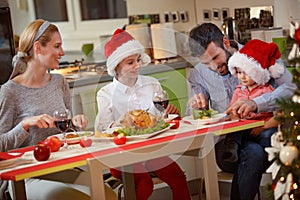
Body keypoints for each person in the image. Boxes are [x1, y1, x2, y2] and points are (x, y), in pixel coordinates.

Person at [187, 23, 296, 200]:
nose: (214, 67)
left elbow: (292, 89)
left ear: (225, 42)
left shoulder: (259, 55)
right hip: (229, 147)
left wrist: (256, 103)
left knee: (255, 152)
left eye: (216, 58)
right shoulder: (199, 73)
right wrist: (197, 107)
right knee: (253, 153)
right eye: (206, 63)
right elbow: (192, 113)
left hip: (266, 138)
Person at [94, 28, 191, 200]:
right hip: (122, 156)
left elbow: (161, 121)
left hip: (153, 151)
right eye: (130, 62)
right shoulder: (105, 93)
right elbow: (103, 129)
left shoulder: (152, 84)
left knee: (178, 178)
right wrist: (124, 123)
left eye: (138, 60)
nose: (137, 65)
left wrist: (169, 115)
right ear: (117, 66)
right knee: (145, 183)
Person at [0, 19, 91, 200]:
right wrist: (25, 125)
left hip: (60, 166)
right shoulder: (9, 91)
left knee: (106, 194)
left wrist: (76, 124)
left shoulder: (59, 82)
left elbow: (67, 132)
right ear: (38, 48)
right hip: (25, 175)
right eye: (57, 46)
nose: (62, 52)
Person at [223, 39, 282, 163]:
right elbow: (231, 111)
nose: (242, 77)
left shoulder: (267, 90)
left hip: (262, 128)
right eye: (239, 72)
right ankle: (231, 148)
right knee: (234, 133)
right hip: (244, 128)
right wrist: (235, 118)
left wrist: (262, 127)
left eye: (247, 73)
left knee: (268, 136)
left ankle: (268, 158)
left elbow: (278, 117)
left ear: (257, 73)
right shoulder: (238, 91)